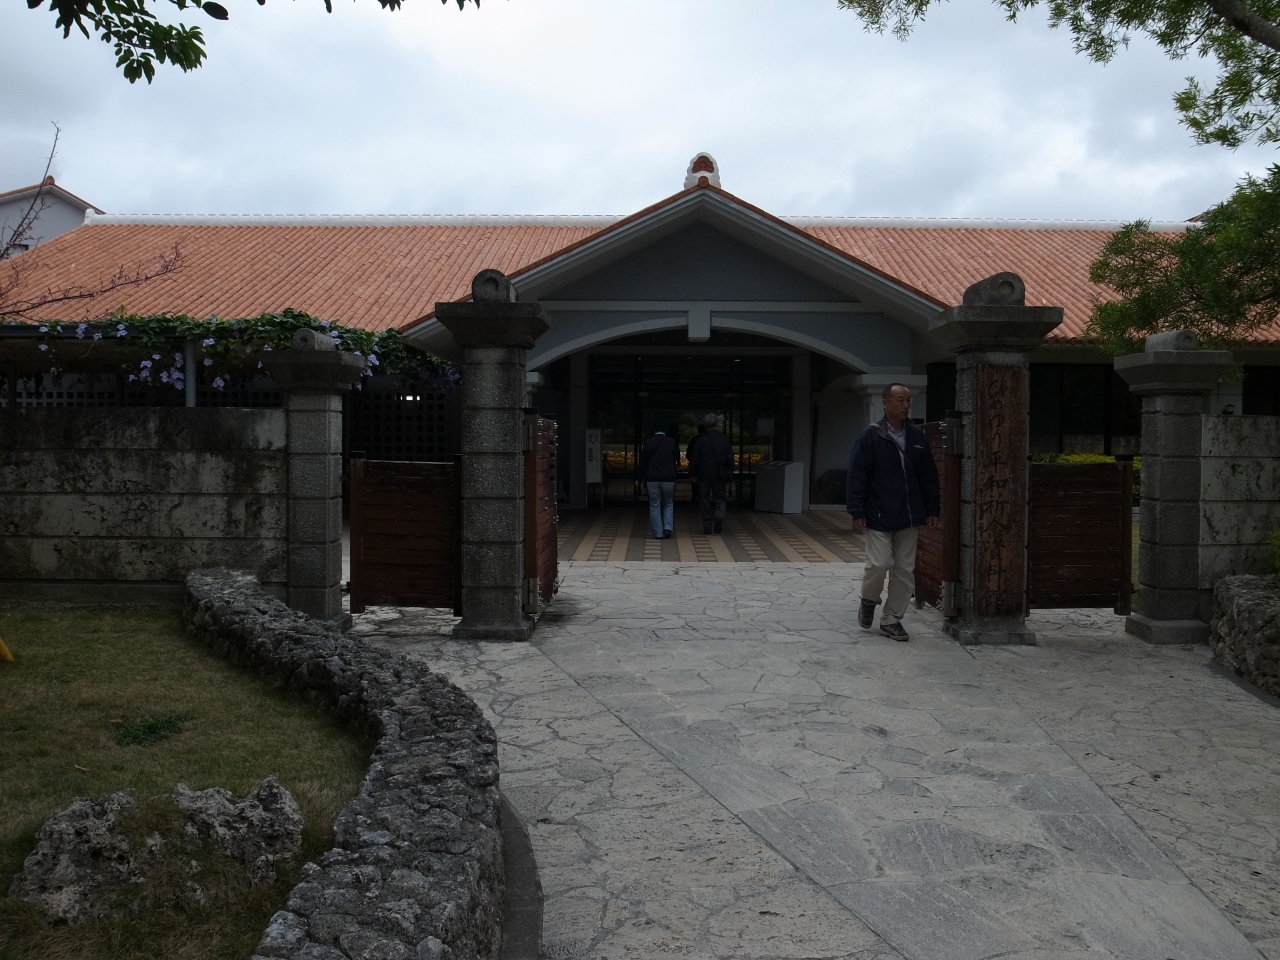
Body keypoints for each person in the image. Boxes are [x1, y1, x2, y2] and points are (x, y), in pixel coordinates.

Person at [846, 383, 940, 641]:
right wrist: (857, 509)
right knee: (879, 564)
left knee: (904, 570)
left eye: (908, 400)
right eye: (900, 400)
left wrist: (932, 508)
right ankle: (869, 600)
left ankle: (891, 619)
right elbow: (857, 475)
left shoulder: (917, 436)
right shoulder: (870, 436)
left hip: (910, 514)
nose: (905, 405)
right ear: (885, 403)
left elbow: (929, 476)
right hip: (878, 513)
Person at [688, 413, 733, 534]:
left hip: (703, 474)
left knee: (704, 499)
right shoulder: (724, 439)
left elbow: (695, 459)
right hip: (719, 474)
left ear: (704, 424)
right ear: (717, 424)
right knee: (720, 498)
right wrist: (729, 472)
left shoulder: (700, 440)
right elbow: (730, 459)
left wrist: (693, 473)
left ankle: (707, 525)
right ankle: (719, 515)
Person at [638, 425, 679, 539]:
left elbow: (643, 462)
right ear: (665, 431)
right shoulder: (672, 442)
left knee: (654, 504)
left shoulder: (648, 443)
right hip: (669, 477)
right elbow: (677, 458)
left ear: (654, 431)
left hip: (652, 477)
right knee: (668, 502)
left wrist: (638, 478)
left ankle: (657, 533)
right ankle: (667, 528)